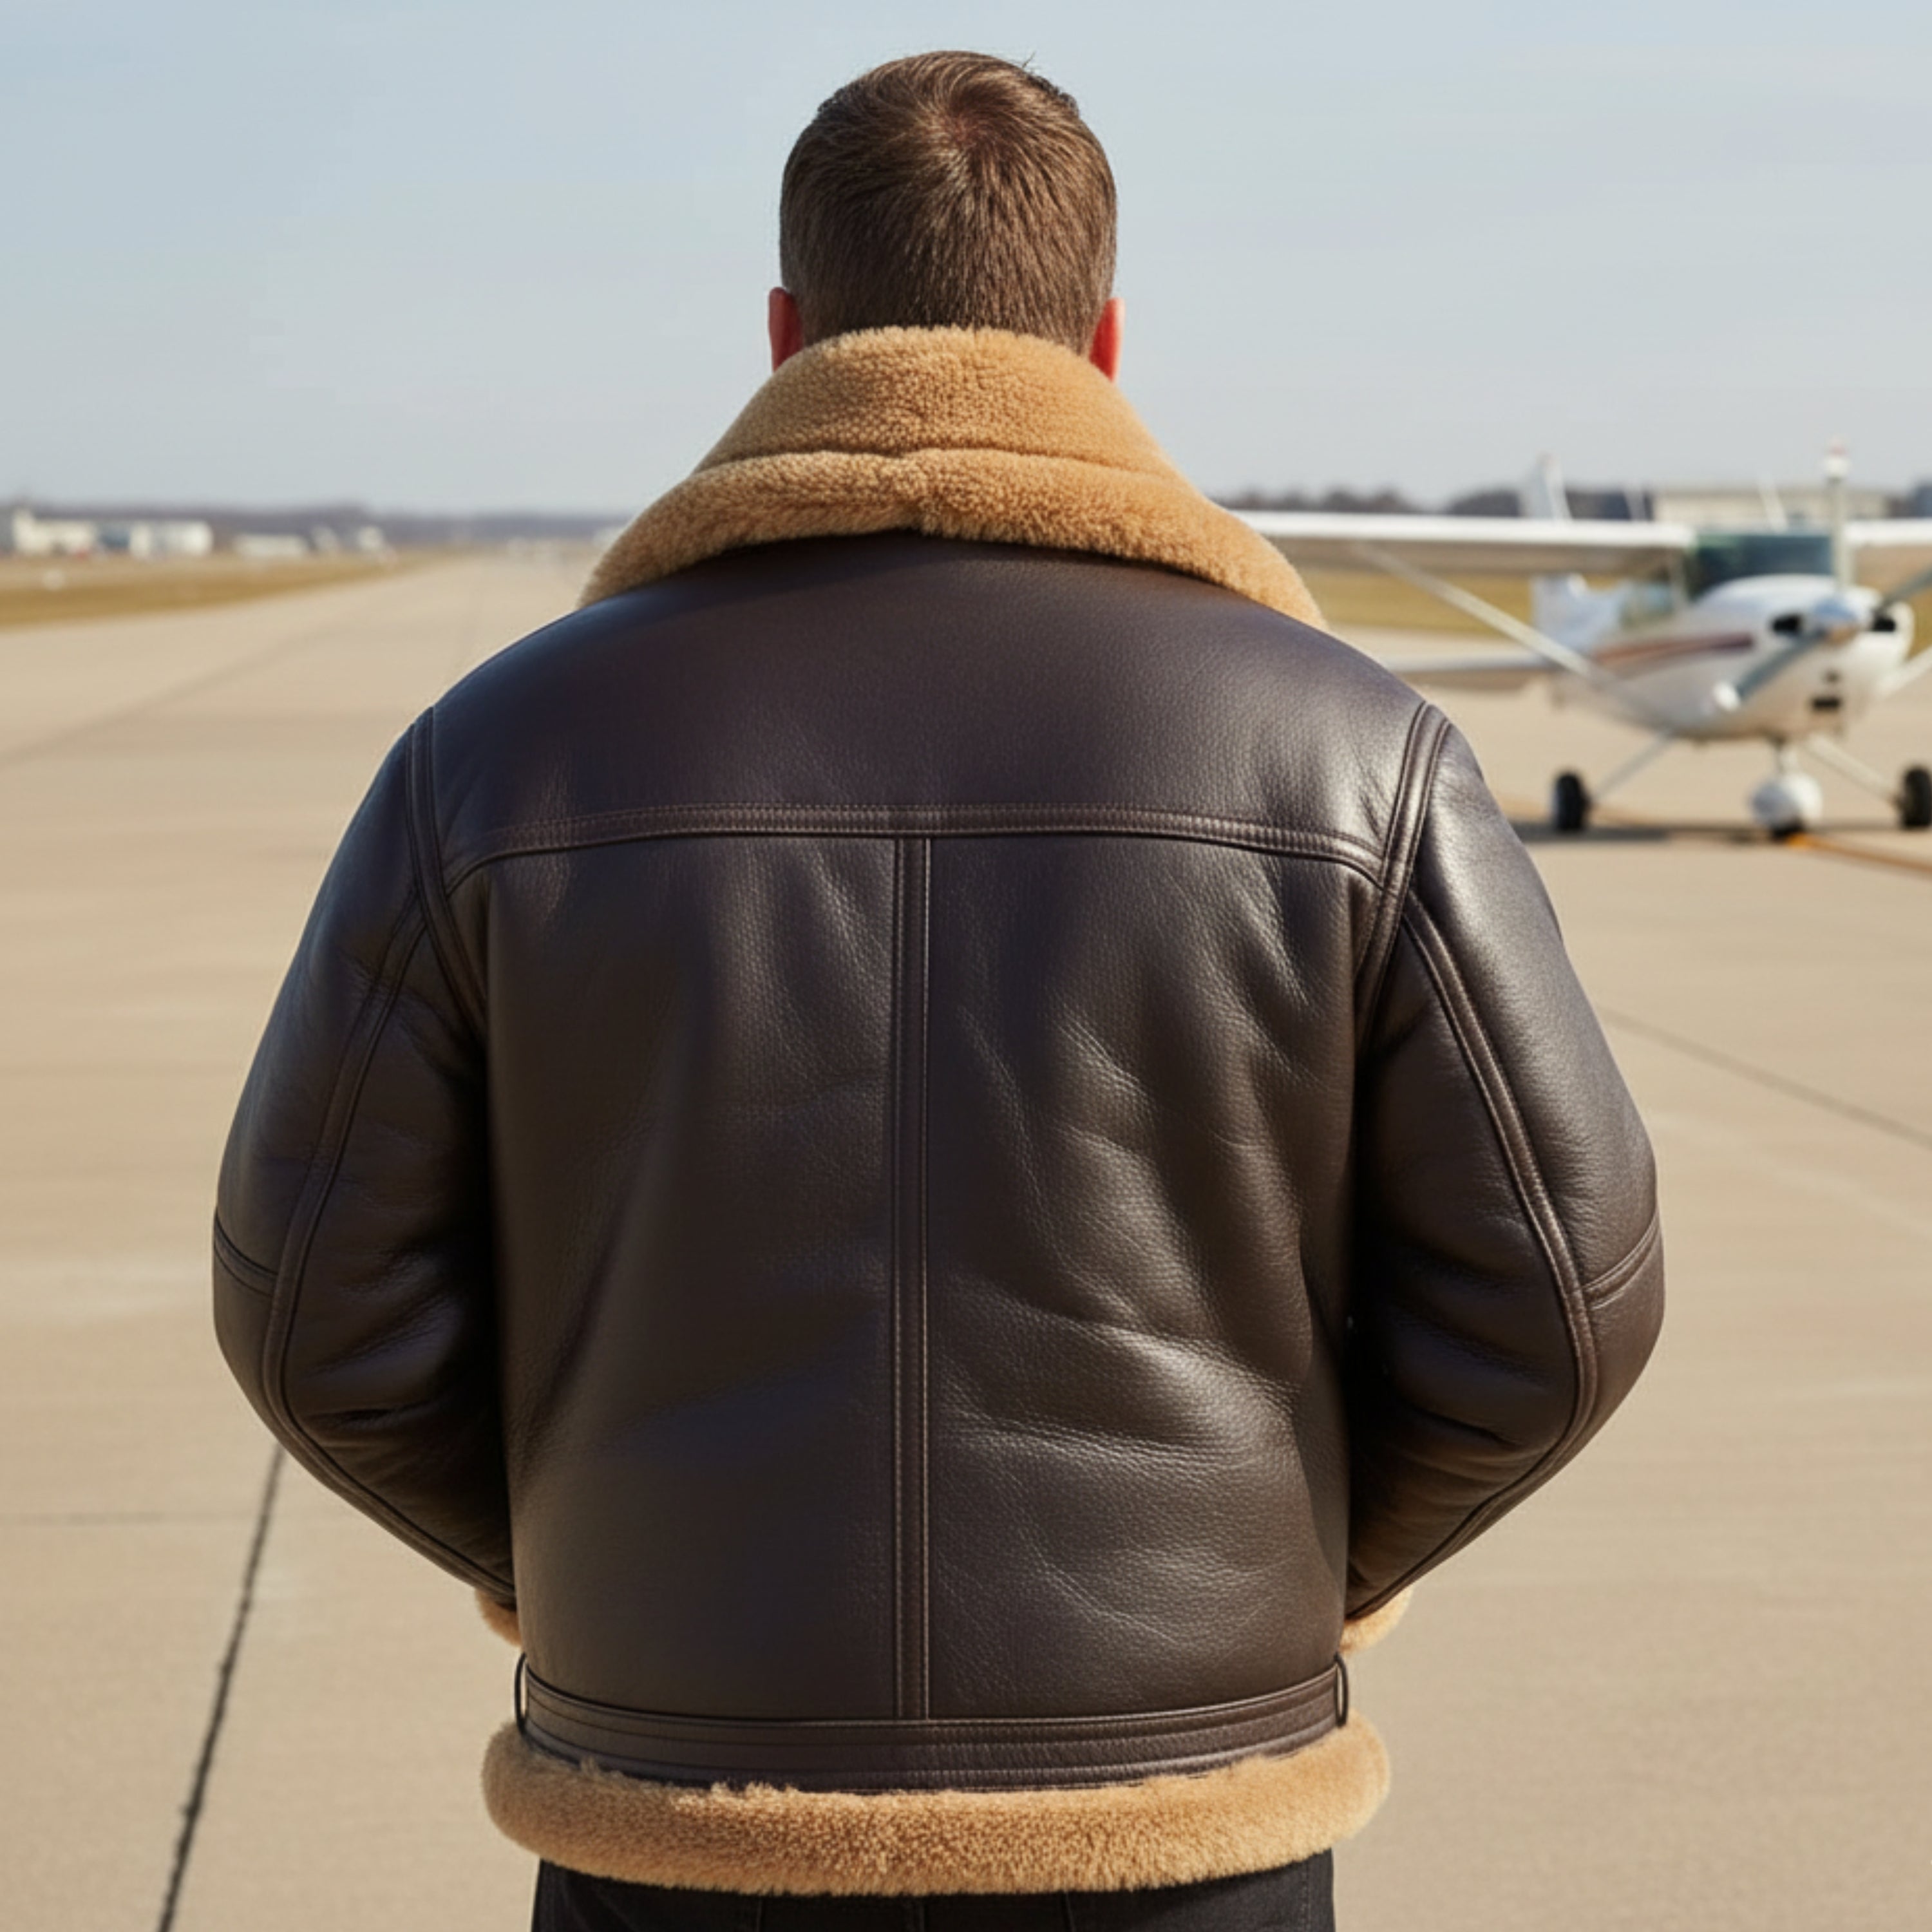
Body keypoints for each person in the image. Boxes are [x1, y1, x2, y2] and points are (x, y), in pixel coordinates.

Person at [213, 50, 1664, 1931]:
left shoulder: (498, 755)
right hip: (1185, 1840)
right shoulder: (1347, 754)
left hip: (675, 1830)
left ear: (784, 332)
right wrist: (1269, 1572)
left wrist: (597, 1564)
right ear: (1109, 341)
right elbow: (1560, 1304)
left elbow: (312, 1307)